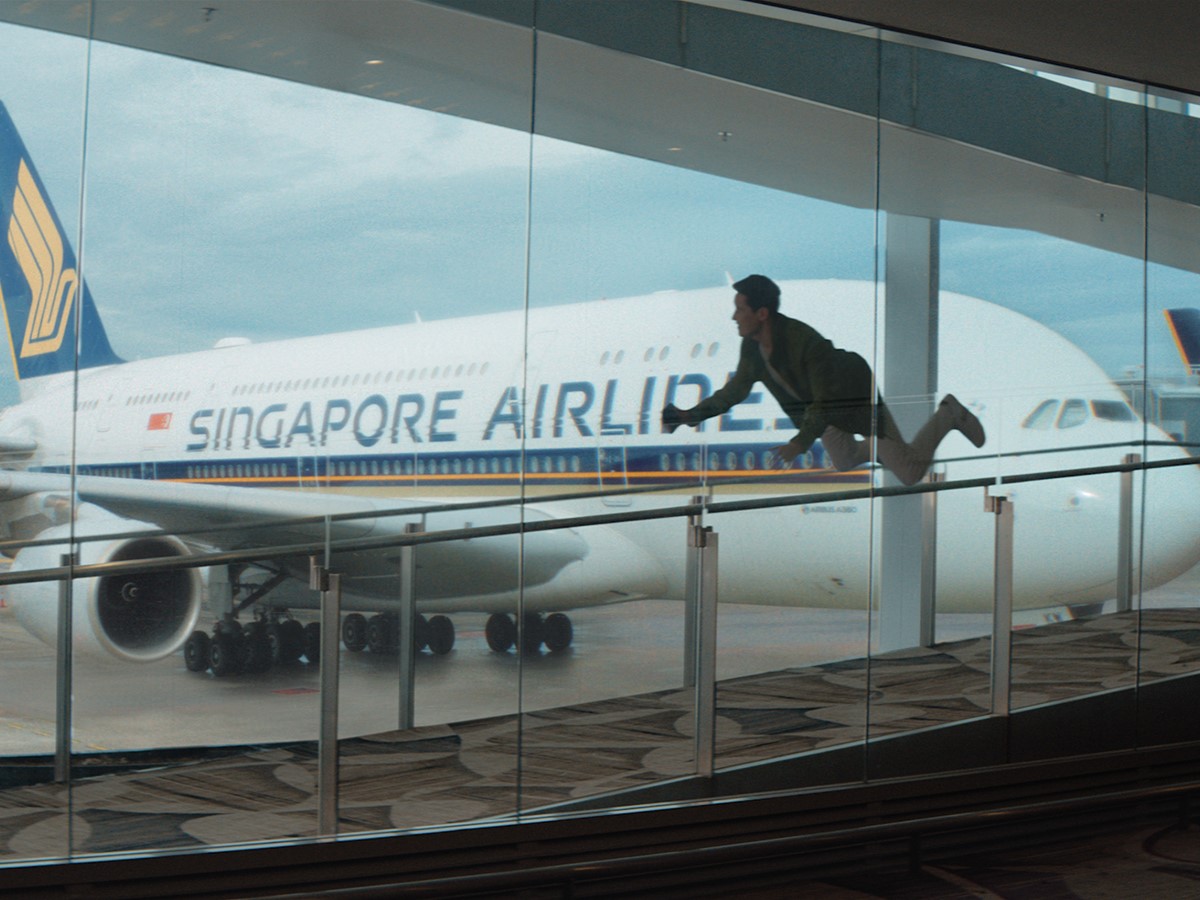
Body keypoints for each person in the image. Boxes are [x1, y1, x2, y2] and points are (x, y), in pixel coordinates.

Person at [661, 274, 985, 486]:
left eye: (740, 310)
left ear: (761, 313)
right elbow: (734, 391)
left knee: (910, 473)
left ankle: (949, 414)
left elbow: (824, 400)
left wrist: (799, 443)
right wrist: (690, 416)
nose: (734, 317)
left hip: (851, 395)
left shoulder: (803, 341)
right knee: (843, 461)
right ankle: (884, 449)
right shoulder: (753, 348)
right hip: (821, 407)